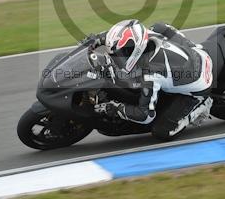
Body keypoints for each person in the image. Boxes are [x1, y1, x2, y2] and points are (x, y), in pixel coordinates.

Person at [84, 19, 214, 140]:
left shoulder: (151, 73)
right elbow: (117, 37)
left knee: (162, 131)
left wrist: (116, 108)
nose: (119, 58)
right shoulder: (144, 35)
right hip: (194, 53)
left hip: (200, 84)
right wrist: (96, 40)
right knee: (159, 27)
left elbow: (145, 116)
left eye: (123, 53)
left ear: (136, 49)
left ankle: (203, 104)